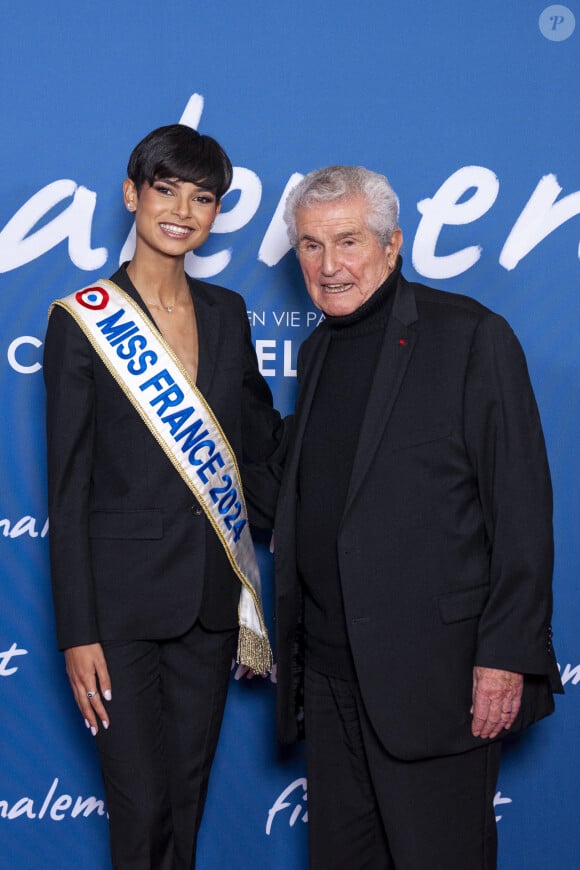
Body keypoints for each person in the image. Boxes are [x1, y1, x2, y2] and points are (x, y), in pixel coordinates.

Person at [273, 165, 563, 870]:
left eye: (347, 241)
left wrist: (505, 654)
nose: (329, 265)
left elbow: (521, 507)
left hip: (437, 681)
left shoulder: (468, 336)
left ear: (392, 243)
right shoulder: (315, 353)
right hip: (332, 683)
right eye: (310, 246)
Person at [43, 124, 282, 869]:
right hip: (117, 614)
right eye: (166, 189)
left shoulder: (228, 313)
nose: (183, 209)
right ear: (132, 195)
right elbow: (69, 482)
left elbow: (258, 442)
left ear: (216, 213)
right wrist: (77, 631)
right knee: (140, 812)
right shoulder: (81, 317)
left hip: (209, 605)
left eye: (203, 196)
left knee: (185, 804)